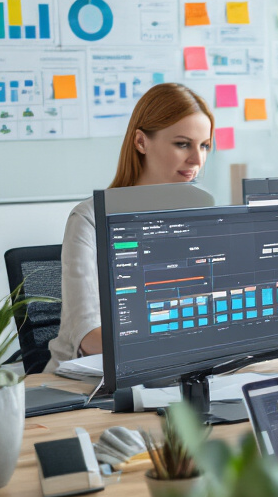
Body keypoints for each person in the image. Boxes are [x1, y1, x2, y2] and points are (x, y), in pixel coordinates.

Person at [45, 83, 214, 372]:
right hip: (89, 384)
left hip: (178, 370)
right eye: (182, 144)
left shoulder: (203, 216)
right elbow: (89, 339)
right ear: (141, 142)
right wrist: (180, 343)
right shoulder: (89, 219)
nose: (197, 160)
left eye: (204, 146)